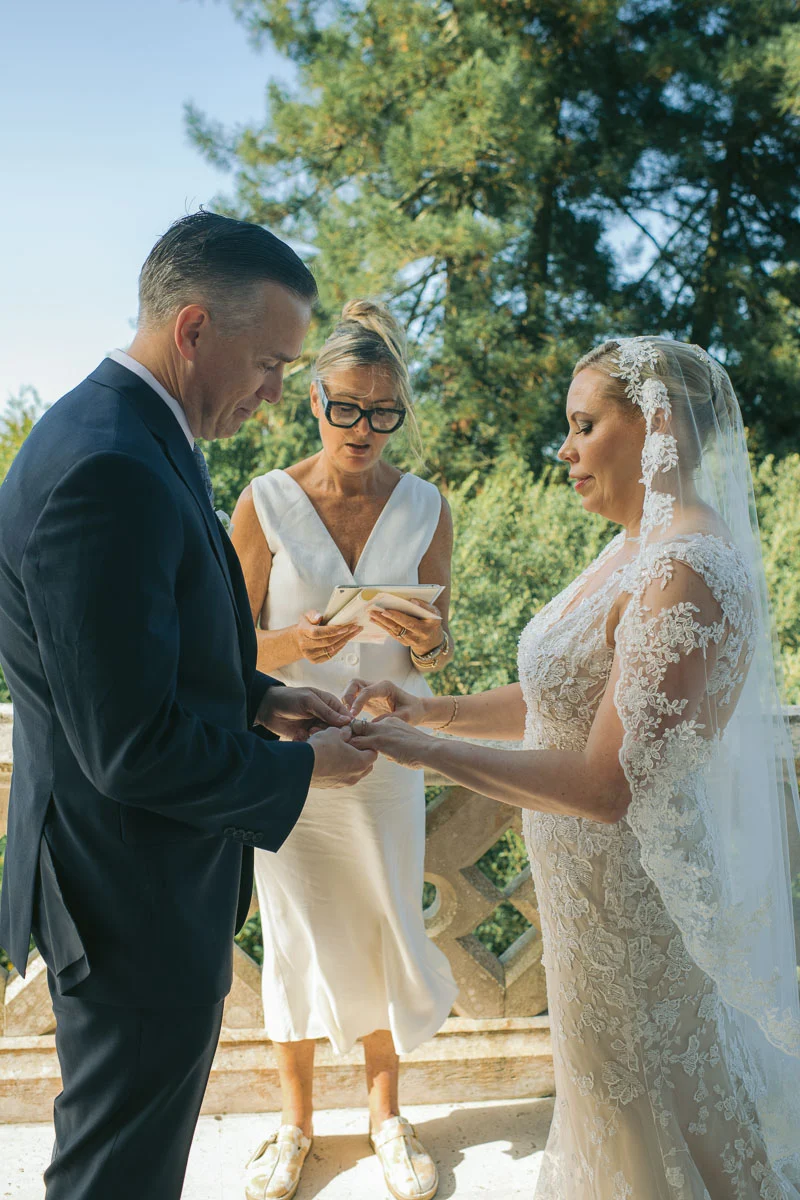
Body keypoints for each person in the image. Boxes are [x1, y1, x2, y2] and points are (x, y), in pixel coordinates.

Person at [346, 337, 800, 1198]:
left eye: (584, 426)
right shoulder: (636, 545)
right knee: (608, 1097)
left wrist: (424, 752)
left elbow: (605, 785)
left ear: (658, 426)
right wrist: (429, 710)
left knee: (651, 1108)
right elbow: (566, 694)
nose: (564, 450)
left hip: (630, 907)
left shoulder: (683, 571)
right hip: (584, 900)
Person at [0, 212, 377, 1200]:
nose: (277, 394)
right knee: (116, 1177)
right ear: (195, 329)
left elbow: (134, 657)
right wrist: (303, 768)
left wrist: (263, 699)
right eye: (270, 364)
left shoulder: (131, 434)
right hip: (127, 896)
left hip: (134, 882)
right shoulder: (107, 466)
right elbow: (128, 744)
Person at [231, 299, 458, 1200]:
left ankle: (385, 1116)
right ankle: (294, 1124)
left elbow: (439, 649)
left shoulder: (428, 506)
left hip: (388, 757)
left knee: (387, 922)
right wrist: (296, 644)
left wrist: (430, 643)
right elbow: (223, 650)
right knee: (291, 932)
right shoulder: (264, 502)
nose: (364, 429)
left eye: (384, 412)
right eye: (347, 408)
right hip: (291, 757)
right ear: (314, 400)